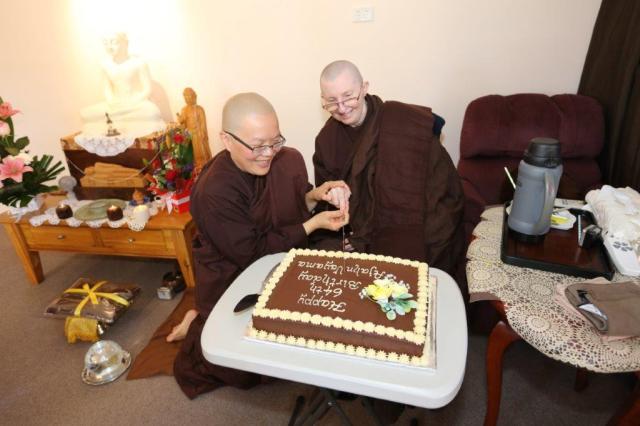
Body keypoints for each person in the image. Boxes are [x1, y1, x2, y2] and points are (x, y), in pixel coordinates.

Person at [170, 92, 349, 399]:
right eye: (258, 145)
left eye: (274, 140)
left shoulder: (286, 159)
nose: (268, 153)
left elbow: (294, 203)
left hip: (282, 256)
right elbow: (253, 254)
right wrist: (314, 225)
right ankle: (199, 317)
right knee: (245, 371)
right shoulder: (215, 191)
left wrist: (316, 196)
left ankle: (196, 315)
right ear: (226, 140)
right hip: (231, 273)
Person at [313, 60, 465, 290]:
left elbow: (443, 189)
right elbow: (326, 200)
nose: (342, 108)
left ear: (364, 88)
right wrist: (334, 196)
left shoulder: (404, 124)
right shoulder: (327, 141)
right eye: (332, 102)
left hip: (414, 232)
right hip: (358, 237)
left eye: (349, 97)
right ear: (323, 100)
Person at [78, 32, 165, 137]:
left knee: (152, 113)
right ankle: (119, 119)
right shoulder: (105, 64)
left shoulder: (139, 63)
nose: (110, 46)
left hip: (134, 103)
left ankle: (122, 119)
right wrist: (111, 101)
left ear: (125, 43)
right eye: (106, 43)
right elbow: (107, 89)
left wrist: (133, 101)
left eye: (114, 42)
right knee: (86, 114)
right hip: (115, 105)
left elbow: (147, 90)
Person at [177, 87, 212, 172]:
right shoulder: (184, 110)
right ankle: (197, 166)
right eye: (185, 97)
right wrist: (180, 120)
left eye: (189, 96)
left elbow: (203, 123)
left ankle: (206, 164)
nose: (187, 99)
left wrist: (203, 133)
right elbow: (183, 123)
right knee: (193, 153)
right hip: (190, 134)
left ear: (193, 96)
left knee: (202, 151)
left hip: (199, 134)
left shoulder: (199, 109)